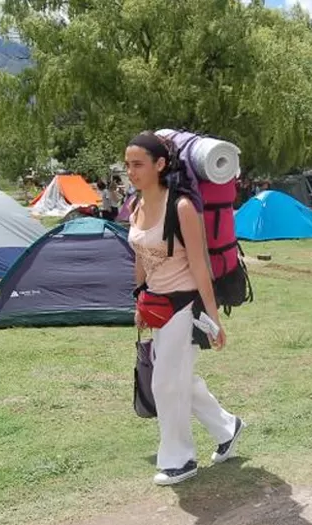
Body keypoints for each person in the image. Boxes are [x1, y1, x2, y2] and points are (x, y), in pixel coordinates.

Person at [125, 131, 246, 487]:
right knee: (178, 377)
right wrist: (139, 299)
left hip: (184, 305)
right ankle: (227, 426)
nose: (131, 172)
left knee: (166, 383)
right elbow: (141, 256)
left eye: (138, 164)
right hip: (157, 305)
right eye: (127, 164)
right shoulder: (137, 205)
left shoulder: (181, 208)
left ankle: (179, 459)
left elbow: (200, 267)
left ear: (160, 165)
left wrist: (214, 317)